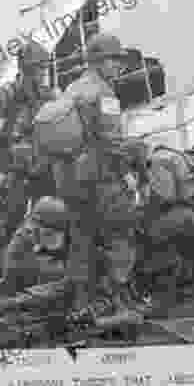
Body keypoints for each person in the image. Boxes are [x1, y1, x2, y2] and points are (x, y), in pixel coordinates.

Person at [54, 32, 141, 320]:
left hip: (70, 181)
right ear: (99, 61)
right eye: (114, 60)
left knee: (82, 239)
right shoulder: (104, 94)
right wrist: (128, 173)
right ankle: (120, 303)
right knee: (120, 233)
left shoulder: (71, 89)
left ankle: (80, 306)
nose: (118, 66)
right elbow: (113, 141)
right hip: (101, 178)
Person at [0, 40, 58, 270]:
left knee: (45, 214)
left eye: (44, 68)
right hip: (13, 168)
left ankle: (36, 262)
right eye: (38, 69)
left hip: (41, 165)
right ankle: (2, 265)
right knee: (9, 217)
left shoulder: (47, 95)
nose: (42, 74)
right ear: (25, 68)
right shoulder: (5, 96)